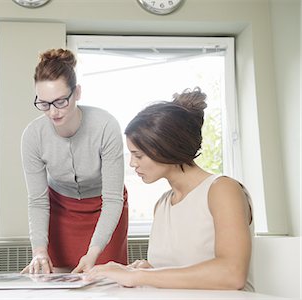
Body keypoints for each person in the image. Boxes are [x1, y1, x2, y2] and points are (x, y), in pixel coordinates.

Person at [87, 87, 254, 291]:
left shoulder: (222, 190)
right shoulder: (163, 204)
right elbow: (176, 271)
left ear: (165, 148)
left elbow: (232, 274)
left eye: (138, 155)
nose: (132, 164)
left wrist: (139, 276)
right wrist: (143, 270)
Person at [21, 48, 128, 274]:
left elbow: (112, 199)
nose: (52, 112)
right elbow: (38, 202)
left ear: (77, 92)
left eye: (61, 101)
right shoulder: (32, 135)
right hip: (61, 210)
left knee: (103, 279)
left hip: (104, 206)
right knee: (59, 280)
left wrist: (93, 253)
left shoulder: (106, 126)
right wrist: (39, 251)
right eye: (44, 103)